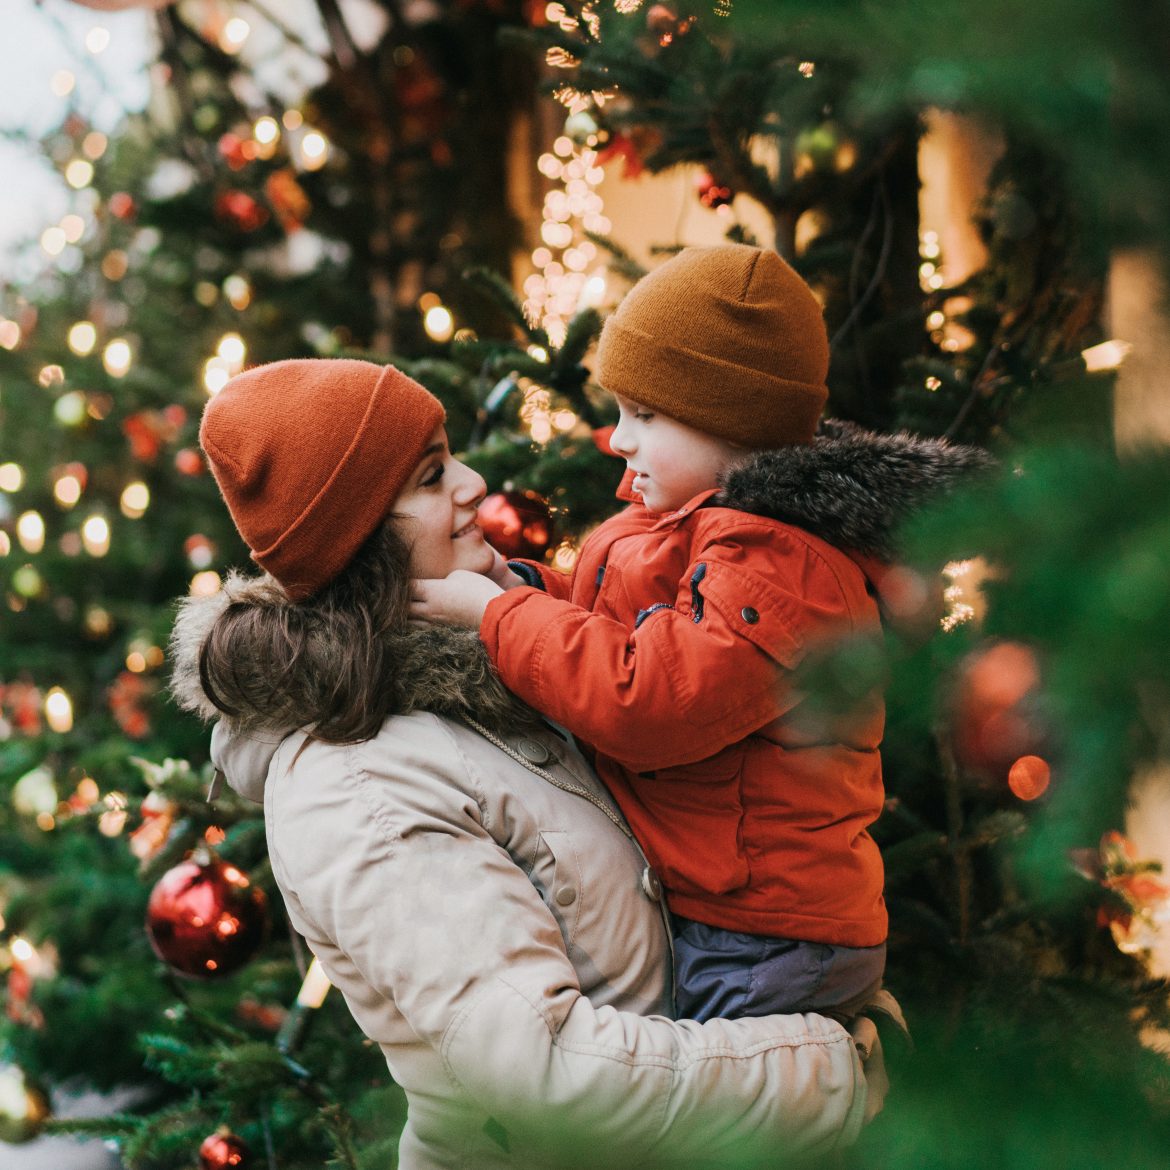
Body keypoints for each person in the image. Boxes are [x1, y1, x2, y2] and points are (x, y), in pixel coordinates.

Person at [169, 356, 887, 1170]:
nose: (475, 484)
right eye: (434, 476)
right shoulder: (355, 785)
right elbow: (547, 1076)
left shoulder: (497, 670)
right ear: (361, 540)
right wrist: (831, 1069)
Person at [410, 244, 989, 1024]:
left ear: (733, 422)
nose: (618, 438)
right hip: (727, 915)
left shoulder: (779, 563)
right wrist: (517, 589)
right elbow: (610, 628)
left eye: (645, 416)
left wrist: (495, 616)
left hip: (769, 936)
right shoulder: (690, 529)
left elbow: (650, 699)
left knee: (726, 1125)